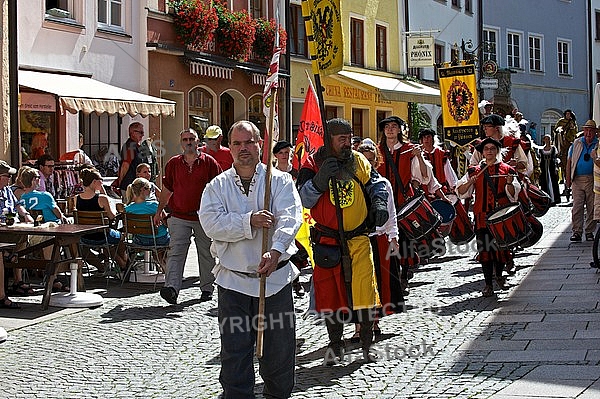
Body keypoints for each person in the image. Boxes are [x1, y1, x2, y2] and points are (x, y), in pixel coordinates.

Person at [199, 120, 302, 398]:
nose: (243, 148)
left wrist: (277, 249)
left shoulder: (278, 180)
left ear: (260, 145)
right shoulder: (216, 186)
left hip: (275, 281)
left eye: (249, 142)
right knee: (234, 354)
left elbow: (291, 218)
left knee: (278, 353)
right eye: (237, 143)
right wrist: (249, 222)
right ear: (229, 147)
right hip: (233, 283)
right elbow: (211, 224)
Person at [298, 118, 389, 364]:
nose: (348, 143)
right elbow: (302, 200)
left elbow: (376, 184)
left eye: (349, 138)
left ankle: (367, 342)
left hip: (358, 240)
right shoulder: (312, 163)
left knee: (365, 293)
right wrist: (318, 182)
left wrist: (379, 202)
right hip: (328, 244)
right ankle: (335, 343)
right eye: (342, 139)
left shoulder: (358, 160)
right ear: (329, 140)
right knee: (332, 296)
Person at [154, 128, 222, 305]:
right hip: (179, 215)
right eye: (185, 139)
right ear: (181, 143)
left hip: (203, 217)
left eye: (192, 139)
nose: (189, 142)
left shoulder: (209, 163)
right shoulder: (173, 163)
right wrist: (159, 210)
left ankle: (207, 288)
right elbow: (167, 189)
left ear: (198, 141)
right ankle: (172, 288)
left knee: (206, 253)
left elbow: (219, 189)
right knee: (176, 252)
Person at [456, 137, 521, 297]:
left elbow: (513, 195)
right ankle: (488, 284)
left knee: (500, 248)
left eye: (492, 149)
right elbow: (461, 191)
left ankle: (499, 275)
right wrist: (470, 182)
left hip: (501, 216)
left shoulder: (507, 170)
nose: (489, 151)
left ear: (497, 151)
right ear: (482, 152)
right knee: (485, 249)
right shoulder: (474, 171)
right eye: (486, 149)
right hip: (482, 216)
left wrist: (509, 183)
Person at [377, 115, 432, 295]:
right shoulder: (377, 151)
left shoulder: (410, 150)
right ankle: (391, 275)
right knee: (385, 240)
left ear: (400, 130)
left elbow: (424, 177)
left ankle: (404, 277)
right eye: (387, 127)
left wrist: (420, 157)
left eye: (394, 126)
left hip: (403, 202)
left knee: (405, 241)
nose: (390, 129)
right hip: (382, 202)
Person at [354, 142, 403, 340]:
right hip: (357, 240)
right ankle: (358, 327)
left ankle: (374, 322)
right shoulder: (352, 184)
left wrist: (394, 237)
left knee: (379, 283)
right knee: (357, 284)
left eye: (371, 159)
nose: (368, 163)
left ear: (377, 161)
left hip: (379, 239)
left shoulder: (383, 184)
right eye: (364, 159)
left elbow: (391, 213)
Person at [273, 139, 307, 297]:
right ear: (275, 155)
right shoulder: (271, 174)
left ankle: (296, 281)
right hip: (277, 216)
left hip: (296, 216)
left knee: (297, 251)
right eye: (281, 153)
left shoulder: (297, 174)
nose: (285, 156)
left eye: (287, 152)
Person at [75, 167, 127, 269]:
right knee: (120, 237)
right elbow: (112, 216)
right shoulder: (102, 199)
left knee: (86, 248)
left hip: (84, 236)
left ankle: (101, 266)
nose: (102, 184)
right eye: (100, 181)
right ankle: (123, 263)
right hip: (102, 236)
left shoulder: (76, 198)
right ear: (94, 182)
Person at [0, 160, 34, 297]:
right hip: (2, 231)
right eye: (7, 176)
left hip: (12, 227)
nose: (10, 179)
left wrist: (26, 215)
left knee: (24, 238)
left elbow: (18, 205)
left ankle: (17, 280)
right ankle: (9, 256)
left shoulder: (7, 190)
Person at [566, 120, 598, 242]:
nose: (588, 133)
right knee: (577, 206)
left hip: (592, 178)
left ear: (595, 132)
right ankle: (577, 232)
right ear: (583, 131)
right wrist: (568, 180)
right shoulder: (576, 143)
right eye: (586, 130)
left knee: (591, 206)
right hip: (577, 179)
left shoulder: (597, 144)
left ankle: (589, 231)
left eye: (591, 130)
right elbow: (569, 162)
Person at [125, 177, 170, 249]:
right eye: (149, 189)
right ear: (143, 189)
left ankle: (158, 258)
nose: (151, 191)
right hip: (159, 239)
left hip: (140, 240)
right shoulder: (155, 205)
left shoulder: (128, 209)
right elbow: (166, 222)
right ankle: (161, 259)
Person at [114, 122, 145, 195]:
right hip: (130, 186)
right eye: (141, 132)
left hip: (135, 186)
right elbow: (125, 165)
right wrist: (120, 182)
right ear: (132, 133)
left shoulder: (136, 146)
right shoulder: (130, 147)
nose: (143, 135)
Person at [555, 109, 578, 186]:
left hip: (570, 140)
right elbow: (556, 129)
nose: (568, 115)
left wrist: (572, 128)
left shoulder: (572, 122)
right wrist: (559, 129)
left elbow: (575, 133)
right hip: (561, 139)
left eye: (569, 114)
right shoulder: (561, 121)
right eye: (566, 114)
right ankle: (558, 153)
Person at [539, 134, 561, 205]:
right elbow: (540, 160)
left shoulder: (553, 148)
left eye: (548, 139)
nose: (547, 140)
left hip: (551, 168)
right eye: (545, 139)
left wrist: (556, 168)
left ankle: (554, 199)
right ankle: (546, 199)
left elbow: (555, 159)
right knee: (544, 183)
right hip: (544, 168)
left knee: (553, 183)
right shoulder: (541, 149)